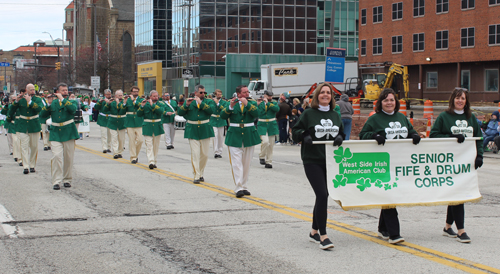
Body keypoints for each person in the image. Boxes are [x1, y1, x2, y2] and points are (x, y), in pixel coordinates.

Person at [359, 88, 421, 245]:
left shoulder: (401, 117)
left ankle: (382, 228)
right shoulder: (375, 119)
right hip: (382, 162)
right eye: (385, 100)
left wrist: (414, 135)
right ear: (381, 102)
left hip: (400, 162)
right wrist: (374, 136)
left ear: (396, 102)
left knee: (390, 194)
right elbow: (362, 135)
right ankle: (394, 233)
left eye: (391, 100)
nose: (389, 103)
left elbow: (410, 131)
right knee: (389, 194)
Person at [291, 82, 344, 250]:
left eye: (328, 93)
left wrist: (340, 137)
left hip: (329, 160)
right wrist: (304, 135)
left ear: (331, 96)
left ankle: (313, 231)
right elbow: (296, 131)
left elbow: (341, 131)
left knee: (321, 196)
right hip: (312, 159)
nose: (325, 95)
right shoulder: (308, 114)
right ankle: (323, 235)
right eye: (322, 93)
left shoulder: (335, 114)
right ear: (317, 96)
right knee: (322, 194)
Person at [430, 87, 483, 243]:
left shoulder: (471, 118)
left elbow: (478, 137)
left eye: (463, 98)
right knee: (457, 194)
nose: (460, 101)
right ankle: (461, 230)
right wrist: (451, 136)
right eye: (458, 98)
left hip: (466, 163)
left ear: (466, 101)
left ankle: (447, 227)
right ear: (452, 99)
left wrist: (479, 155)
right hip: (449, 162)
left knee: (456, 194)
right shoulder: (444, 117)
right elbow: (433, 135)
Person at [220, 85, 261, 198]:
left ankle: (244, 186)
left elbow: (257, 113)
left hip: (249, 135)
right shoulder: (230, 102)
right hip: (234, 135)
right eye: (244, 92)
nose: (247, 94)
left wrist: (247, 104)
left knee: (246, 163)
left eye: (247, 92)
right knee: (236, 163)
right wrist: (231, 107)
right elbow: (223, 115)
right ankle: (238, 187)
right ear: (238, 94)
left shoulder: (251, 103)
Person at [40, 83, 80, 190]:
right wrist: (48, 105)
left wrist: (62, 99)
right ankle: (56, 181)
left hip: (68, 132)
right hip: (56, 132)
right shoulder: (53, 103)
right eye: (62, 90)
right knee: (56, 156)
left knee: (68, 158)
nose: (65, 92)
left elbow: (72, 109)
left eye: (66, 90)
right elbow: (42, 115)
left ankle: (67, 179)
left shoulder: (71, 101)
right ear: (57, 91)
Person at [177, 85, 215, 184]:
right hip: (192, 129)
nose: (203, 94)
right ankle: (196, 175)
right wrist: (186, 105)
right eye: (201, 92)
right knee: (195, 154)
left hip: (205, 128)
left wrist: (201, 103)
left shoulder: (208, 101)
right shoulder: (190, 102)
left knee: (205, 154)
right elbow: (180, 112)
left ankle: (201, 172)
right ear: (195, 93)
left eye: (204, 92)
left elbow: (211, 110)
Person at [9, 84, 43, 174]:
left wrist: (31, 102)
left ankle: (32, 165)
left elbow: (40, 109)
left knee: (34, 147)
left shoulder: (37, 99)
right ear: (26, 90)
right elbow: (11, 111)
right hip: (23, 125)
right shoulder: (21, 100)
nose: (33, 91)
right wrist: (16, 101)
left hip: (34, 125)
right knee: (24, 147)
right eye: (30, 90)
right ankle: (26, 166)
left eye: (33, 89)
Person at [137, 90, 165, 169]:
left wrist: (153, 105)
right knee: (149, 145)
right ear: (150, 97)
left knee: (156, 145)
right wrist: (142, 106)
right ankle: (151, 161)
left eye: (156, 96)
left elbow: (161, 111)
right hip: (147, 125)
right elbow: (139, 114)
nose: (155, 98)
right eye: (154, 96)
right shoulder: (145, 104)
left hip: (157, 125)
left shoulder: (160, 104)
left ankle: (154, 160)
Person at [257, 90, 279, 168]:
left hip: (271, 125)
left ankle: (269, 162)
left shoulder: (274, 103)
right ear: (265, 95)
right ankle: (262, 156)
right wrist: (259, 104)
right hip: (262, 125)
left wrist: (268, 103)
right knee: (265, 142)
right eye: (269, 96)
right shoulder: (260, 104)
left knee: (271, 145)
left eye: (271, 96)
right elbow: (259, 113)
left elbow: (276, 109)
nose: (270, 97)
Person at [124, 86, 144, 164]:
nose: (135, 93)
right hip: (130, 122)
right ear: (131, 92)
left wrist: (134, 100)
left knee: (140, 140)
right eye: (134, 91)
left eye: (137, 91)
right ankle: (133, 157)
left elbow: (141, 106)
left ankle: (136, 154)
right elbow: (123, 109)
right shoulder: (127, 100)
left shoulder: (141, 100)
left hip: (139, 122)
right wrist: (124, 103)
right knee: (132, 141)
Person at [106, 90, 127, 159]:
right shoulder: (112, 103)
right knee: (114, 138)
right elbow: (105, 109)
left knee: (121, 139)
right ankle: (115, 152)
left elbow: (124, 109)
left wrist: (119, 103)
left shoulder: (124, 103)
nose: (120, 97)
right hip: (113, 121)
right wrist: (108, 103)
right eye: (119, 95)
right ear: (115, 96)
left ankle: (120, 152)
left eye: (121, 95)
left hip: (121, 122)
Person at [210, 89, 228, 158]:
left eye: (220, 94)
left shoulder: (224, 102)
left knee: (220, 137)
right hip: (214, 120)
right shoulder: (212, 102)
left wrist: (218, 103)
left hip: (221, 120)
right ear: (215, 95)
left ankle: (220, 152)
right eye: (218, 94)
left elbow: (224, 109)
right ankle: (216, 152)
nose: (219, 96)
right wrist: (215, 102)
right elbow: (211, 109)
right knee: (215, 136)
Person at [94, 89, 112, 153]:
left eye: (110, 94)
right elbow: (96, 107)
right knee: (103, 134)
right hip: (103, 118)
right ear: (105, 95)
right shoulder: (101, 100)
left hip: (110, 118)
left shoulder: (112, 100)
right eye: (107, 94)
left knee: (109, 135)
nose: (109, 95)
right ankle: (104, 147)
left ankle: (109, 147)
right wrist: (100, 102)